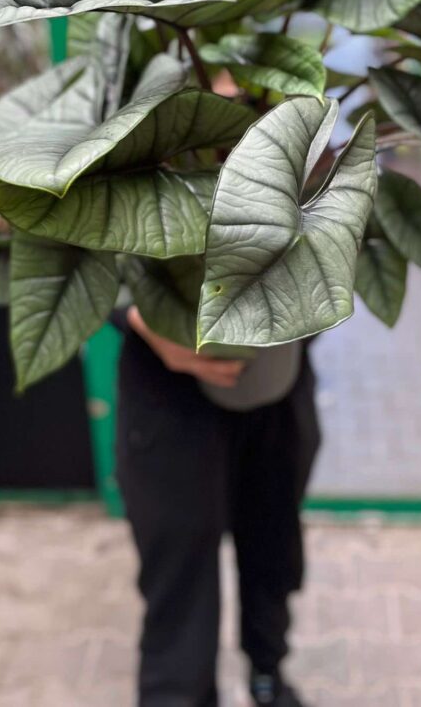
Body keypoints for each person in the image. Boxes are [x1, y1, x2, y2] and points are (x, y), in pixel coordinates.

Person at [115, 303, 321, 707]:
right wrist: (140, 315)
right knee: (178, 580)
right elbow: (71, 253)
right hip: (168, 391)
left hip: (278, 385)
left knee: (273, 547)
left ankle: (268, 678)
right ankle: (178, 693)